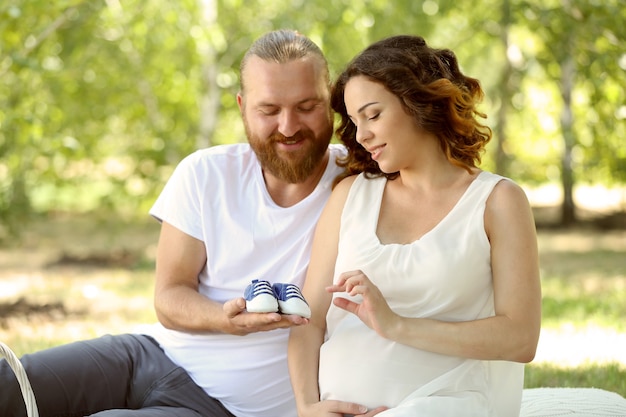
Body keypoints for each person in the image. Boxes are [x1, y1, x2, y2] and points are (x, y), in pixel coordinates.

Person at [0, 29, 360, 417]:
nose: (288, 126)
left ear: (332, 104)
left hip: (220, 408)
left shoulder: (361, 187)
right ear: (242, 107)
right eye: (269, 110)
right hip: (148, 354)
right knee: (10, 383)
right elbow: (169, 296)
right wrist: (223, 319)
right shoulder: (206, 172)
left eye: (306, 106)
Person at [288, 35, 542, 417]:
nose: (362, 135)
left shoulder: (497, 201)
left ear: (419, 103)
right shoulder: (350, 196)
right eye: (355, 122)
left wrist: (396, 325)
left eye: (373, 115)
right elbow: (310, 319)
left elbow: (520, 338)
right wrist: (308, 406)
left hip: (448, 403)